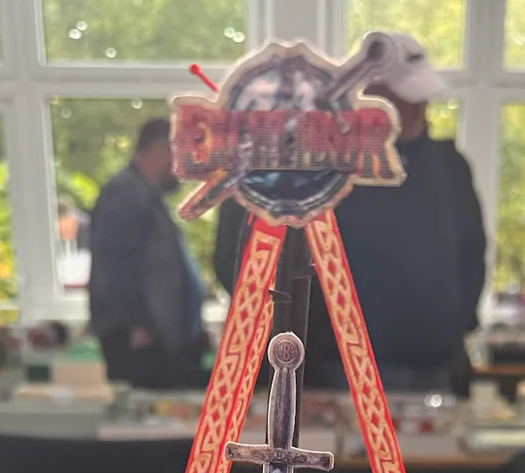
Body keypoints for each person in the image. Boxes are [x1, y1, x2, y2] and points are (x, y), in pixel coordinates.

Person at [214, 33, 486, 393]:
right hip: (337, 368)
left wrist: (459, 322)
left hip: (434, 362)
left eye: (419, 98)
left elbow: (472, 252)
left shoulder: (448, 166)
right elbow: (245, 258)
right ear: (366, 94)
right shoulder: (316, 165)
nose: (416, 109)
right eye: (403, 99)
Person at [88, 118, 206, 389]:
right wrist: (136, 324)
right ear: (160, 149)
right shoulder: (125, 196)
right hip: (141, 343)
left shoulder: (147, 197)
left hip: (159, 339)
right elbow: (114, 266)